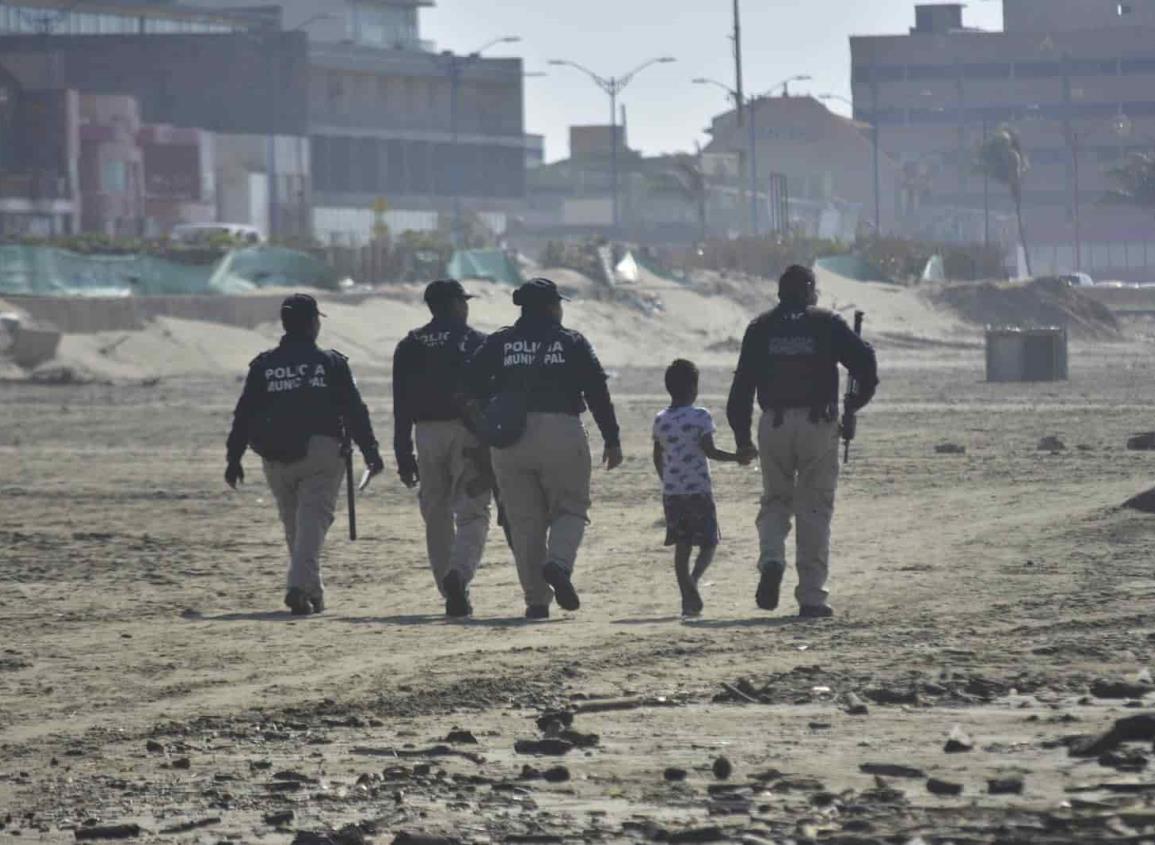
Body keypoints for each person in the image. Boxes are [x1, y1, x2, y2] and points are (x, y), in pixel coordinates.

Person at [726, 265, 878, 619]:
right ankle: (811, 597)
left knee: (775, 501)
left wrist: (742, 439)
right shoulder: (827, 323)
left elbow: (741, 389)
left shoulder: (760, 327)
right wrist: (855, 404)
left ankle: (772, 559)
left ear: (780, 293)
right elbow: (865, 364)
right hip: (817, 424)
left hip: (773, 424)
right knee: (814, 509)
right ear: (809, 290)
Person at [466, 277, 623, 619]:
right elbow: (597, 390)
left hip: (509, 437)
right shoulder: (571, 342)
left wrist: (489, 417)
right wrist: (611, 438)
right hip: (560, 431)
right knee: (571, 509)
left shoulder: (500, 342)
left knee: (524, 522)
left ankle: (536, 601)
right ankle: (559, 564)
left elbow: (469, 385)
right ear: (553, 307)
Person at [225, 293, 384, 616]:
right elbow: (354, 410)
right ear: (313, 324)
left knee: (294, 526)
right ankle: (298, 586)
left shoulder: (264, 365)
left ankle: (312, 593)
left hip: (274, 455)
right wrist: (370, 450)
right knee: (312, 523)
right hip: (321, 453)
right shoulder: (331, 363)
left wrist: (234, 457)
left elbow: (244, 413)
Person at [392, 279, 492, 618]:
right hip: (468, 433)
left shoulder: (410, 344)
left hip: (425, 433)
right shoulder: (477, 342)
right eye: (463, 302)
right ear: (453, 305)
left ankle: (448, 589)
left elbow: (400, 405)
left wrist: (402, 454)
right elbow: (491, 397)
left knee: (435, 514)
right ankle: (459, 576)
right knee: (473, 510)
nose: (466, 308)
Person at [652, 359, 739, 617]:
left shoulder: (660, 419)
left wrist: (665, 479)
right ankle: (693, 581)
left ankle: (686, 592)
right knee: (709, 543)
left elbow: (657, 455)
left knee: (682, 546)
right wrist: (736, 457)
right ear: (694, 388)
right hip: (699, 491)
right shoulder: (701, 416)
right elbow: (710, 451)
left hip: (673, 493)